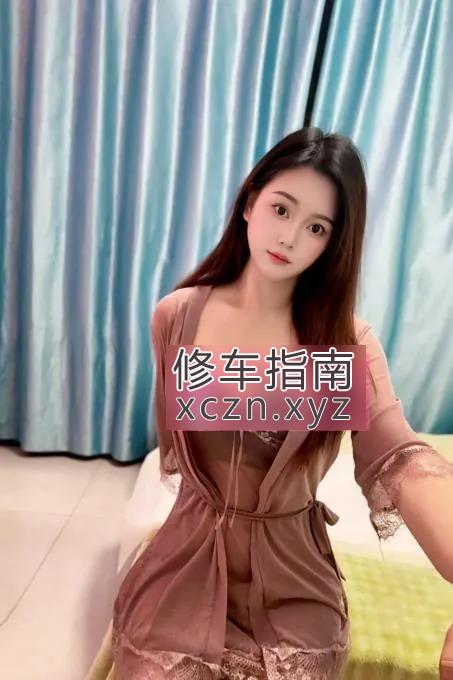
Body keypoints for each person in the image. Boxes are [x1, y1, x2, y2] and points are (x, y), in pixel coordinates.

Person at [109, 127, 453, 678]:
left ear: (332, 243)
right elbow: (177, 444)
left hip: (294, 580)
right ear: (251, 202)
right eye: (281, 209)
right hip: (185, 565)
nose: (289, 237)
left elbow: (396, 455)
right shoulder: (177, 316)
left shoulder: (347, 343)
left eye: (317, 227)